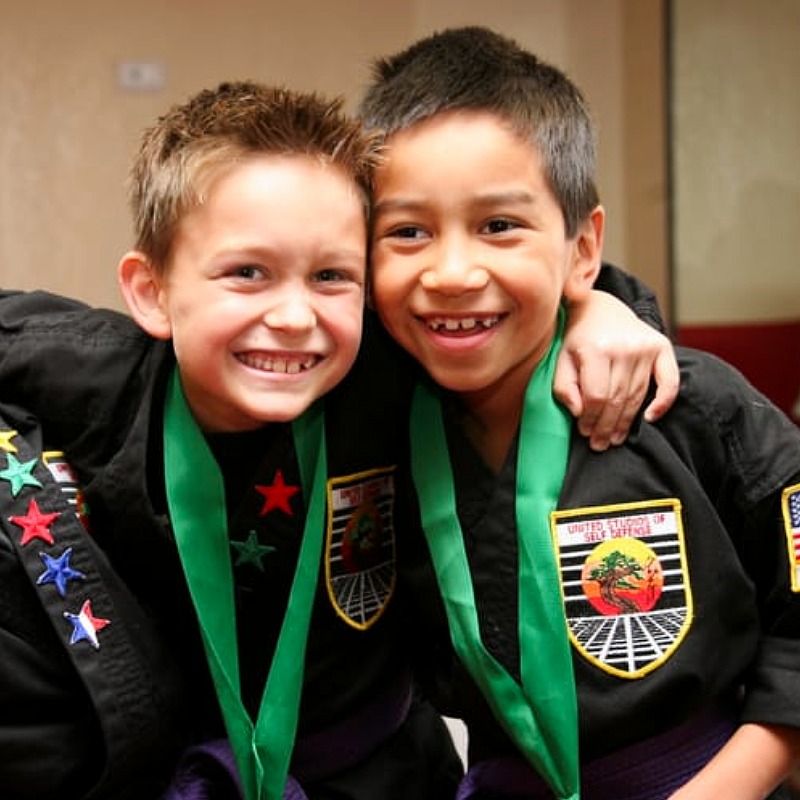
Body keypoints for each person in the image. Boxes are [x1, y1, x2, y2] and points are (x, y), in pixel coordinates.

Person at [0, 81, 675, 799]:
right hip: (188, 773)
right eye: (247, 273)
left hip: (390, 775)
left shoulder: (386, 365)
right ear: (151, 292)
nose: (294, 316)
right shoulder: (93, 371)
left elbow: (507, 304)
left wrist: (606, 307)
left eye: (331, 276)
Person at [357, 25, 800, 800]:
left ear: (583, 249)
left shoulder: (697, 409)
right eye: (407, 232)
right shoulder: (373, 432)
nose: (453, 271)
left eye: (499, 225)